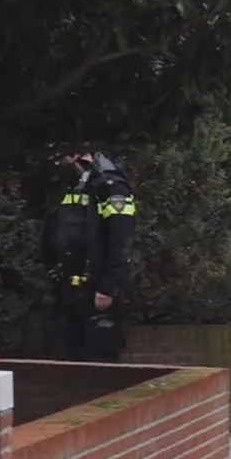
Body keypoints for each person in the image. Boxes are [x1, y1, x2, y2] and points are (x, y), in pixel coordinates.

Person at [40, 151, 138, 362]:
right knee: (69, 357)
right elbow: (52, 231)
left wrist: (109, 286)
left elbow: (121, 240)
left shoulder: (110, 186)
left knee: (100, 360)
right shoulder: (66, 186)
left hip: (97, 292)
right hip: (67, 290)